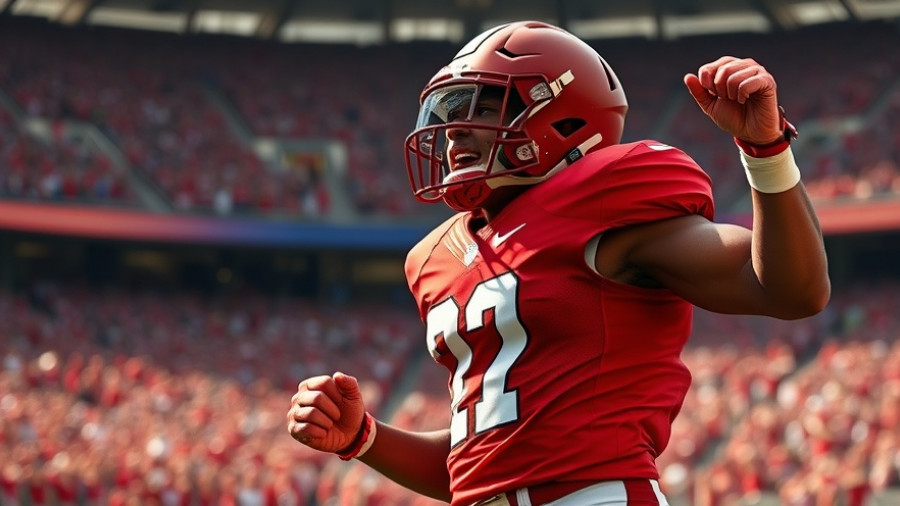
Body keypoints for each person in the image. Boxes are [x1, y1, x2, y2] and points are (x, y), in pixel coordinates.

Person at [287, 20, 830, 506]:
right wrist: (365, 438)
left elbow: (787, 290)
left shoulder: (605, 202)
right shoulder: (436, 259)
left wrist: (767, 152)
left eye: (481, 107)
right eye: (449, 113)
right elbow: (481, 463)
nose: (453, 131)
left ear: (563, 119)